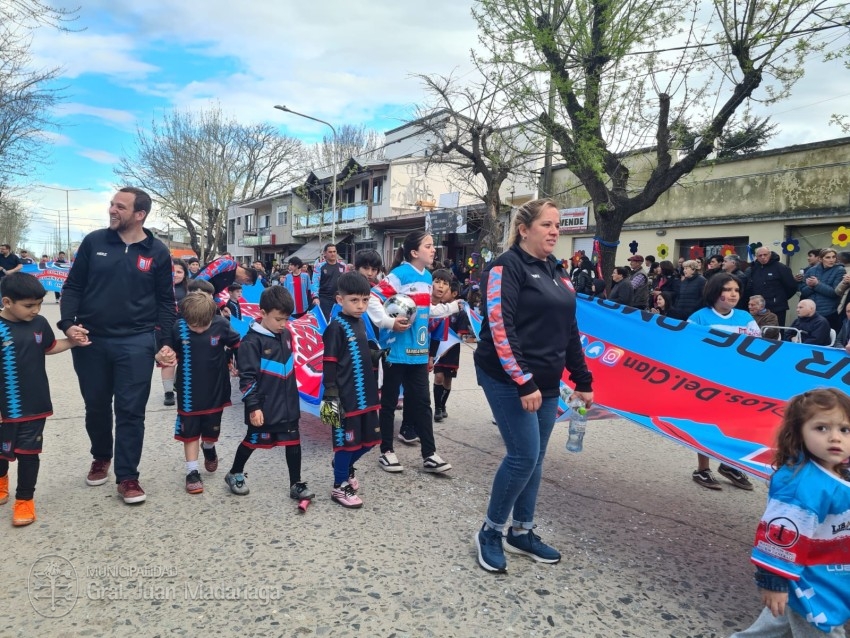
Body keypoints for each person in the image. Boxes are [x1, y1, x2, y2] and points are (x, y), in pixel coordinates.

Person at [473, 199, 594, 573]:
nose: (555, 231)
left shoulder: (558, 272)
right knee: (523, 455)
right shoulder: (504, 268)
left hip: (547, 380)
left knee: (536, 458)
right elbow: (499, 327)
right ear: (524, 229)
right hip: (507, 377)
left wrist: (583, 377)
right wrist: (523, 381)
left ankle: (521, 531)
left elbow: (569, 330)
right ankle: (490, 532)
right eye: (546, 224)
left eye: (558, 225)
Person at [59, 187, 177, 504]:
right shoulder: (94, 242)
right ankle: (101, 456)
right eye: (111, 204)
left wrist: (165, 342)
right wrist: (68, 323)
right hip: (91, 341)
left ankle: (128, 477)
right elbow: (73, 286)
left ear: (139, 214)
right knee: (96, 406)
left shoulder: (158, 252)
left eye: (120, 206)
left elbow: (167, 302)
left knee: (130, 411)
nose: (112, 209)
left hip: (136, 341)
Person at [729, 388, 850, 638]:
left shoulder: (837, 474)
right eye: (821, 428)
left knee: (770, 631)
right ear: (799, 433)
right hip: (809, 586)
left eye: (844, 430)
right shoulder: (804, 485)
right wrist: (773, 582)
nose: (835, 438)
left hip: (825, 574)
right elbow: (779, 537)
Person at [367, 230, 461, 475]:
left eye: (433, 246)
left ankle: (429, 454)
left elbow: (425, 310)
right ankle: (386, 451)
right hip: (396, 351)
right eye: (428, 246)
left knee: (423, 403)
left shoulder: (428, 277)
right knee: (388, 402)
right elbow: (373, 299)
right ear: (414, 252)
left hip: (418, 353)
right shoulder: (399, 275)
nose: (433, 250)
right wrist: (390, 323)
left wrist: (451, 307)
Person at [0, 273, 81, 526]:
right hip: (4, 408)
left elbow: (49, 347)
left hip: (35, 404)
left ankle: (25, 500)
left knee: (28, 453)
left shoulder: (40, 324)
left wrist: (72, 342)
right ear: (7, 302)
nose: (35, 310)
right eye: (28, 306)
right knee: (2, 451)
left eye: (38, 304)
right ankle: (2, 481)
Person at [228, 286, 314, 502]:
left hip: (288, 405)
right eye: (278, 319)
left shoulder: (285, 334)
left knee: (293, 442)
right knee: (252, 441)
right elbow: (247, 379)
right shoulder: (250, 342)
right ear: (263, 312)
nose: (283, 324)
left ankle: (296, 483)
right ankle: (235, 473)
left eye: (286, 319)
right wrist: (253, 407)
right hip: (265, 407)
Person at [687, 273, 759, 491]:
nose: (733, 294)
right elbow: (689, 348)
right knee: (708, 424)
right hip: (708, 382)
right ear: (715, 292)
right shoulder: (699, 318)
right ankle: (702, 469)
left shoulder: (746, 318)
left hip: (737, 383)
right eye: (728, 289)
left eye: (736, 290)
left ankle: (728, 466)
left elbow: (758, 349)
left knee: (734, 425)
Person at [320, 272, 382, 509]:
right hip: (341, 398)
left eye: (365, 300)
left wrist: (376, 355)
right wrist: (331, 394)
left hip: (365, 396)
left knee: (370, 441)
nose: (360, 305)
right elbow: (329, 361)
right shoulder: (335, 328)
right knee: (344, 443)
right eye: (354, 300)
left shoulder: (361, 323)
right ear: (339, 300)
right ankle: (339, 486)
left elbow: (359, 351)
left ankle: (342, 466)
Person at [172, 292, 241, 494]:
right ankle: (192, 471)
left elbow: (237, 344)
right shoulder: (179, 329)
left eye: (204, 326)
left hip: (216, 389)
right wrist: (165, 355)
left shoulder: (221, 325)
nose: (199, 329)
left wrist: (237, 363)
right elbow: (170, 350)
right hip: (188, 391)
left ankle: (209, 447)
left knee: (211, 432)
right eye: (194, 326)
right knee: (190, 431)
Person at [431, 276, 467, 423]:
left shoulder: (460, 313)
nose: (442, 291)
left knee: (447, 381)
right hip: (438, 350)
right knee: (438, 377)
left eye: (446, 289)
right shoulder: (437, 310)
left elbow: (460, 335)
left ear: (453, 294)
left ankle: (443, 404)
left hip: (452, 352)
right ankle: (438, 408)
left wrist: (448, 346)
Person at [161, 258, 189, 406]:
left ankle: (181, 385)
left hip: (186, 329)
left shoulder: (189, 290)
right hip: (165, 330)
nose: (175, 274)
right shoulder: (159, 288)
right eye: (172, 271)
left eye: (179, 271)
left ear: (185, 274)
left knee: (187, 360)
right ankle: (168, 393)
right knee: (168, 361)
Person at [746, 247, 798, 326]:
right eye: (760, 255)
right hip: (758, 309)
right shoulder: (753, 269)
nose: (763, 257)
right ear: (756, 257)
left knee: (776, 332)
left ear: (770, 254)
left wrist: (779, 298)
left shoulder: (781, 268)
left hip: (777, 308)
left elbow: (792, 287)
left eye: (765, 254)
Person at [799, 248, 845, 331]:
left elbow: (835, 292)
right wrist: (811, 286)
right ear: (820, 259)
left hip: (830, 312)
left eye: (833, 257)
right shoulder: (811, 270)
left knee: (826, 338)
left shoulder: (840, 270)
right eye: (828, 257)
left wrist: (817, 284)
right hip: (812, 312)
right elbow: (803, 292)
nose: (831, 260)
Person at [193, 256, 258, 310]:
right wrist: (191, 291)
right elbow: (202, 277)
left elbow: (215, 291)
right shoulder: (228, 263)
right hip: (193, 296)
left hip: (201, 300)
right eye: (245, 283)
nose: (242, 284)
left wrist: (222, 307)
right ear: (246, 279)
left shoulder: (231, 279)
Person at [311, 243, 347, 319]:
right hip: (324, 299)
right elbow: (315, 283)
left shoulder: (343, 266)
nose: (333, 254)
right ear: (325, 253)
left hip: (339, 299)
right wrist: (315, 297)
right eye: (330, 252)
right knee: (326, 322)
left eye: (334, 251)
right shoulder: (319, 266)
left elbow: (346, 283)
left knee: (339, 321)